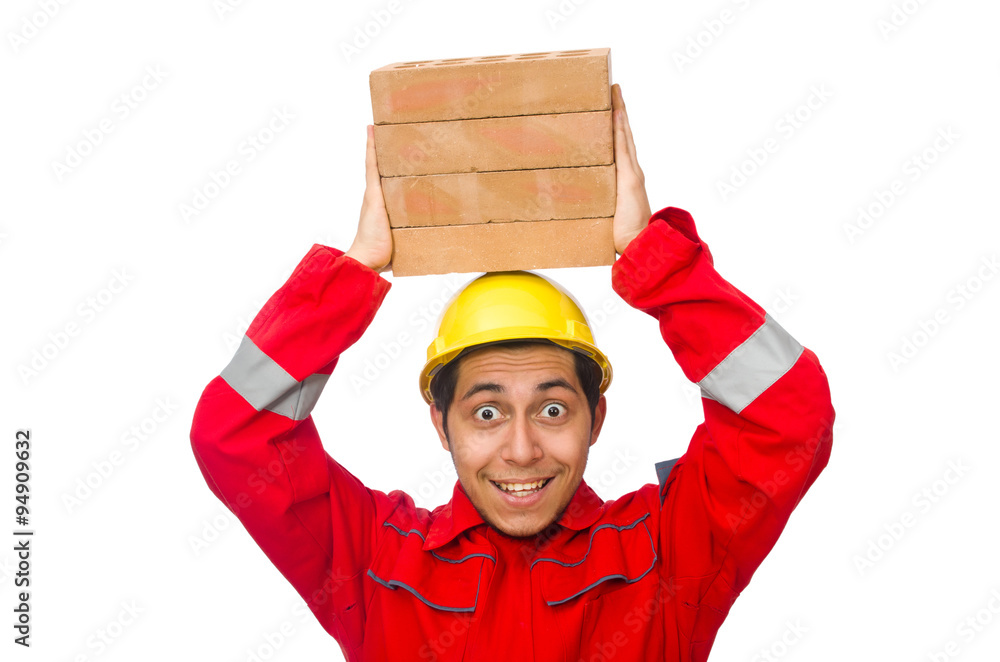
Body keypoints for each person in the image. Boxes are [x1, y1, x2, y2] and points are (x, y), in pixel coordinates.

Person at [190, 84, 834, 661]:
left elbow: (789, 416)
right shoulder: (374, 563)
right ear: (441, 423)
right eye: (487, 412)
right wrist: (355, 271)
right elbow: (236, 436)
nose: (522, 450)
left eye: (553, 409)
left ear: (596, 418)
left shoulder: (669, 555)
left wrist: (655, 261)